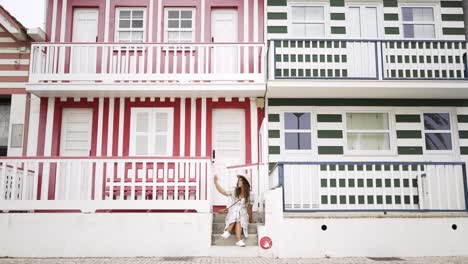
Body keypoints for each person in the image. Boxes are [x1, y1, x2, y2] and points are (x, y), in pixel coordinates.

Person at [213, 174, 255, 247]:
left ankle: (228, 231)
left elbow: (249, 208)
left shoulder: (250, 194)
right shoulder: (234, 190)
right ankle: (238, 240)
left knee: (239, 214)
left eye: (241, 180)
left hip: (243, 214)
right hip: (233, 213)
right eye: (238, 180)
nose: (239, 181)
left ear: (245, 183)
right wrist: (215, 182)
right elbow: (223, 192)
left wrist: (251, 219)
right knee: (237, 212)